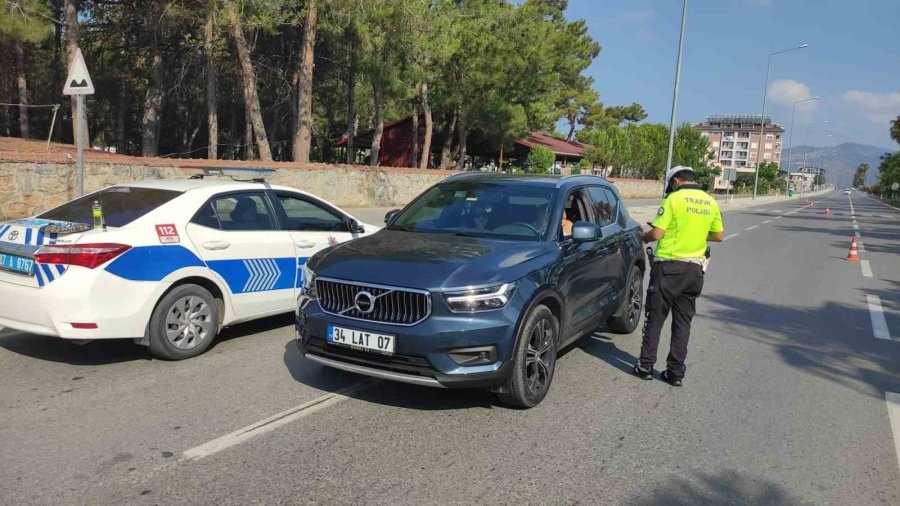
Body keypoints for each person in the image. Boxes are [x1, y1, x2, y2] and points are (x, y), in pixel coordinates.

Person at [633, 166, 724, 386]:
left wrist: (644, 237)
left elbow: (657, 233)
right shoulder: (710, 201)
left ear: (675, 181)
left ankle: (645, 365)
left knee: (655, 317)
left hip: (669, 268)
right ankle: (675, 373)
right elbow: (719, 236)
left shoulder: (673, 200)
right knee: (683, 322)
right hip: (695, 271)